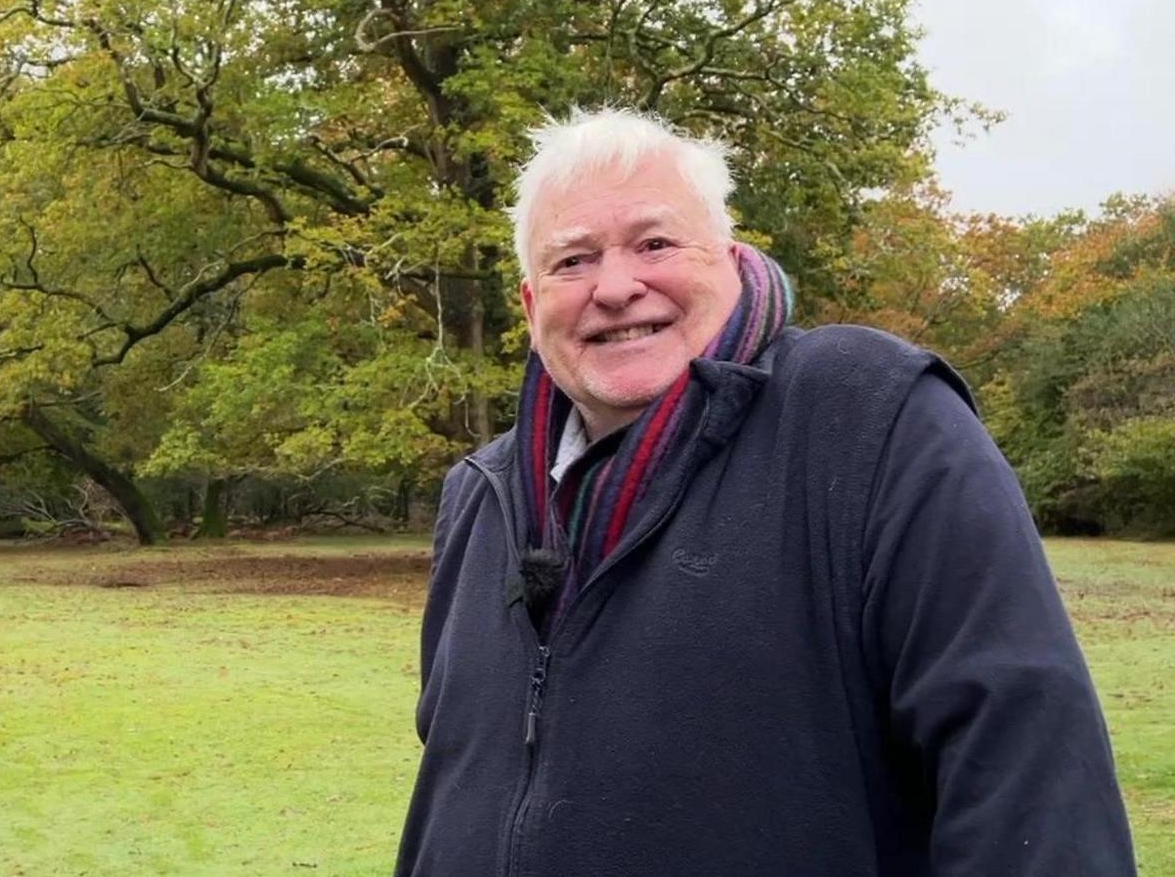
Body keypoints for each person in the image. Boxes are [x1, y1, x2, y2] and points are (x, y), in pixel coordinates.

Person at [394, 108, 1135, 876]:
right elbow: (457, 775)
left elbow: (1029, 769)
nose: (615, 287)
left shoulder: (869, 417)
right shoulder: (483, 493)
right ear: (529, 303)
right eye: (572, 261)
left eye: (654, 243)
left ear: (727, 257)